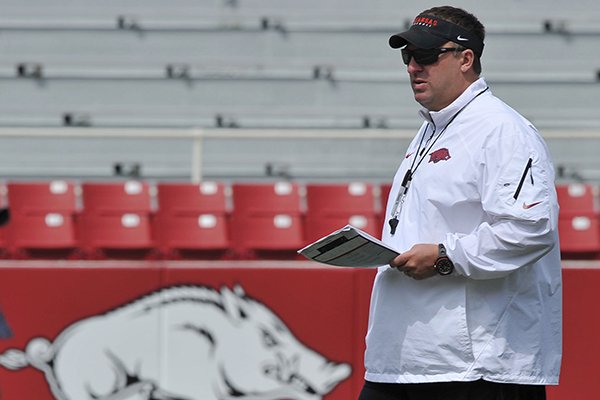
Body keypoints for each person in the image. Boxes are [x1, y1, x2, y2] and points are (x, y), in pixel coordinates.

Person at [359, 6, 562, 400]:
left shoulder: (502, 129)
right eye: (407, 56)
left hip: (477, 367)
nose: (413, 67)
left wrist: (442, 255)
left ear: (465, 59)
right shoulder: (433, 126)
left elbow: (530, 229)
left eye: (427, 56)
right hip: (406, 359)